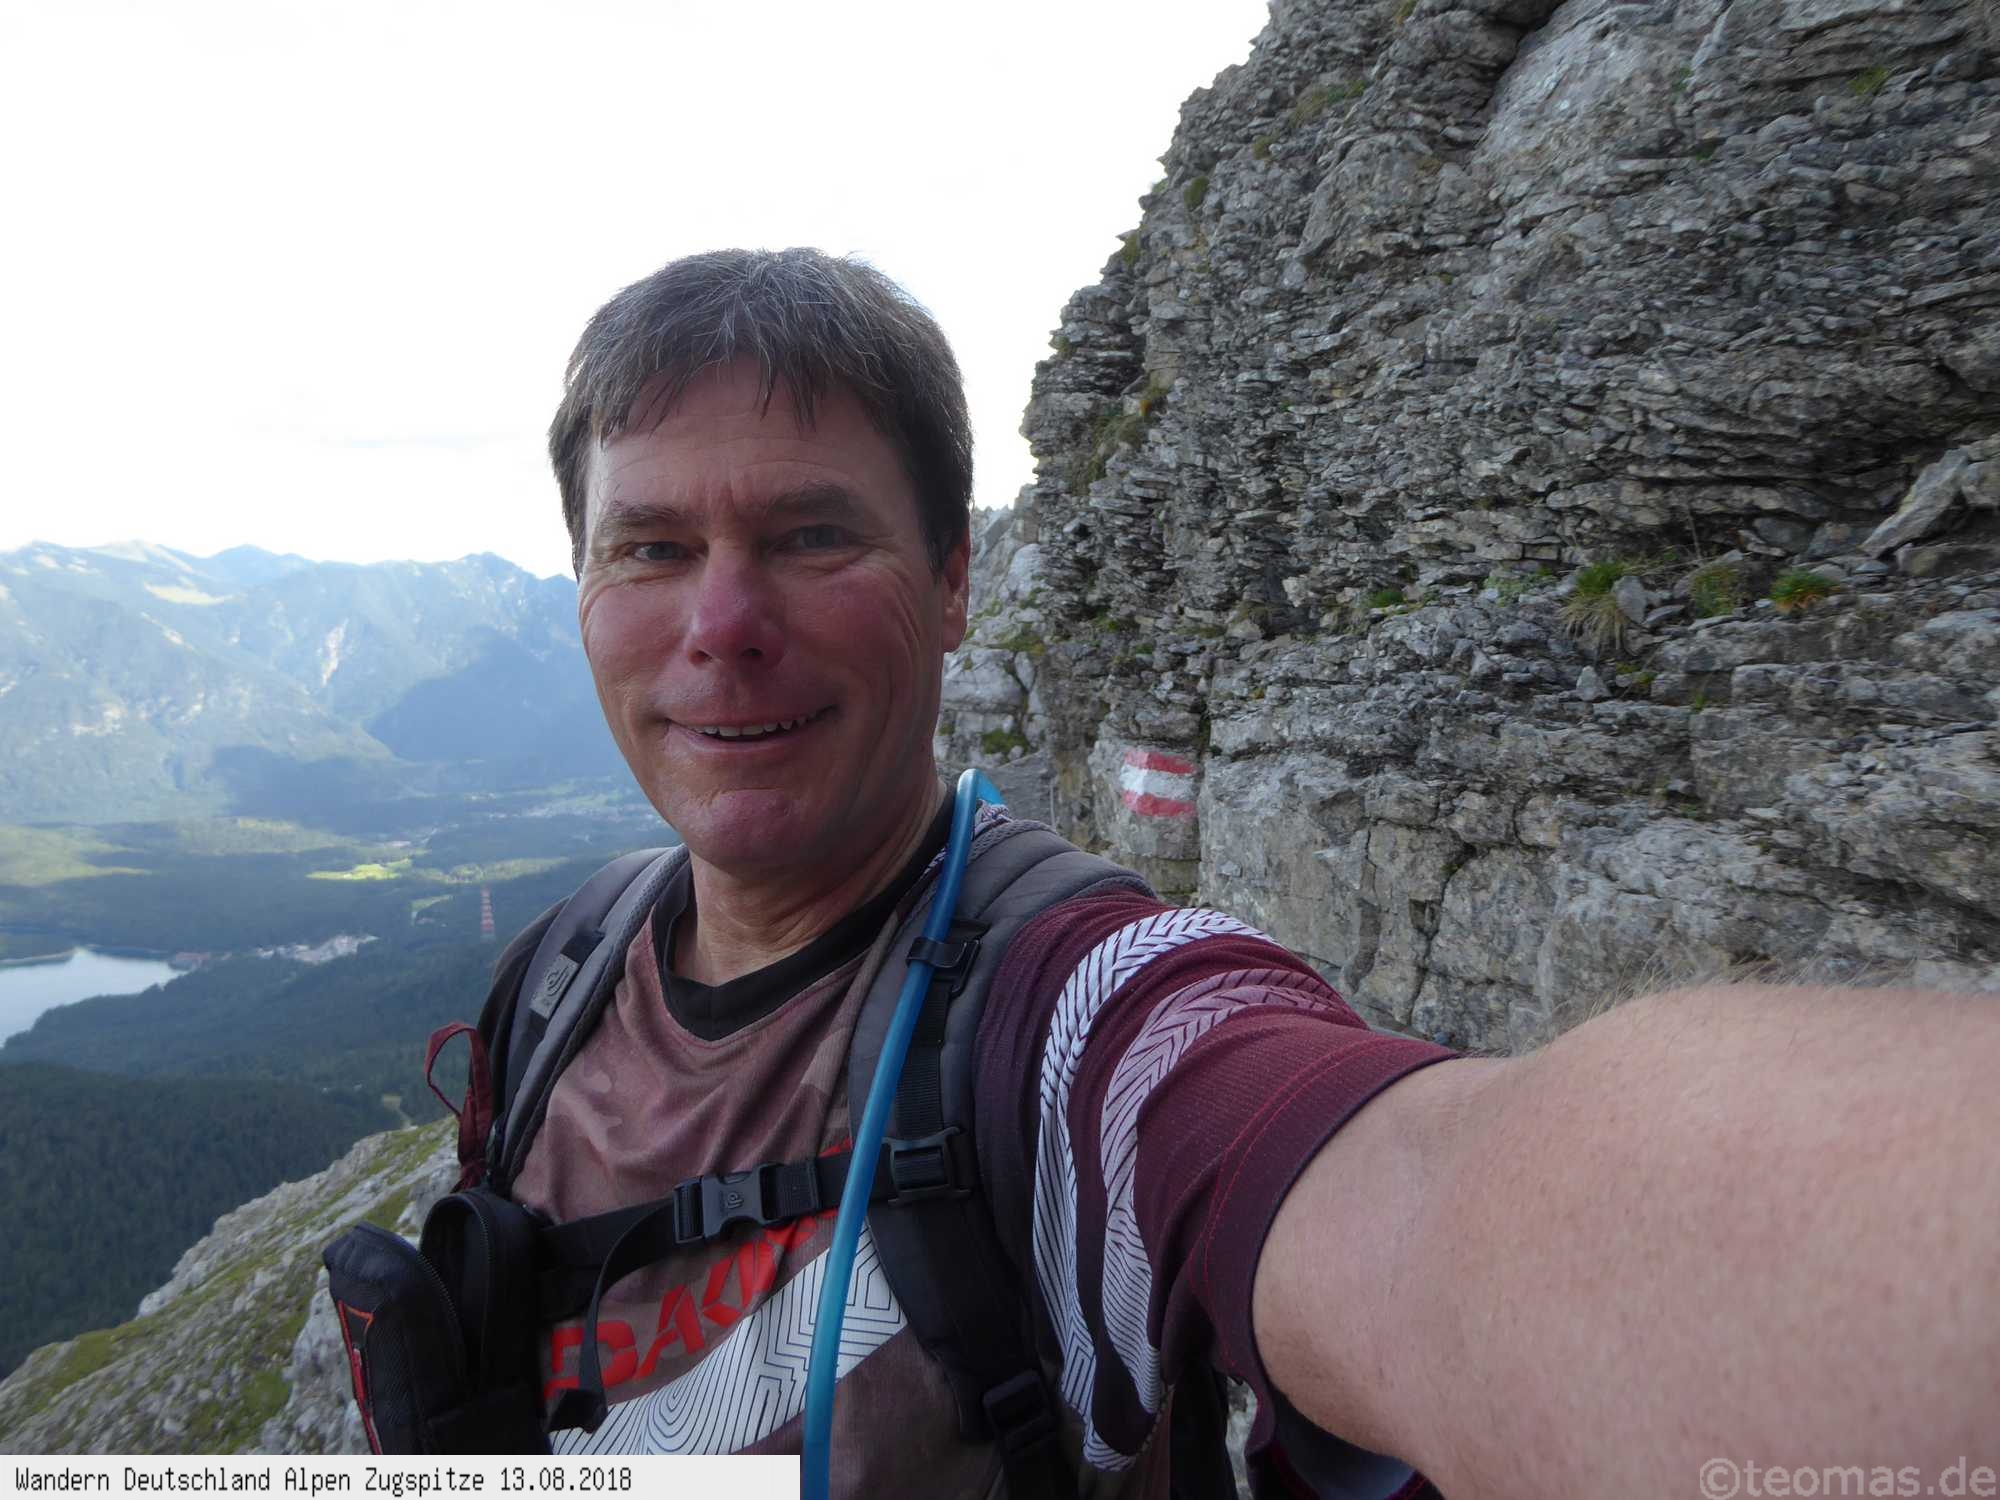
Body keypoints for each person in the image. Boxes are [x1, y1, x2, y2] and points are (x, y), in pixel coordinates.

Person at [504, 247, 1998, 1497]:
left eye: (812, 534)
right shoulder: (557, 981)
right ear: (579, 585)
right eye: (649, 549)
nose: (722, 625)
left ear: (955, 580)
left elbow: (1423, 1197)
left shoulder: (1069, 1021)